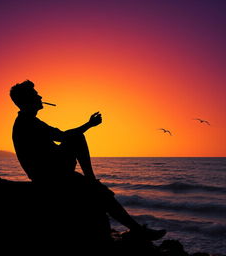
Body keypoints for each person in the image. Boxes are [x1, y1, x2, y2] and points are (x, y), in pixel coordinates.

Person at [10, 80, 166, 242]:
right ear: (27, 100)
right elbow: (62, 136)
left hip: (50, 172)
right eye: (36, 95)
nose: (40, 96)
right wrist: (89, 125)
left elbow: (59, 138)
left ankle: (135, 228)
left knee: (100, 189)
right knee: (79, 142)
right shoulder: (28, 123)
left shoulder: (28, 122)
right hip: (50, 176)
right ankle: (135, 228)